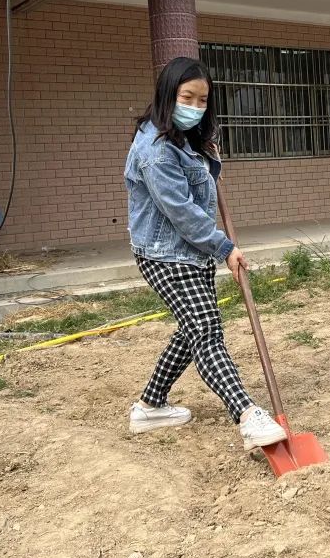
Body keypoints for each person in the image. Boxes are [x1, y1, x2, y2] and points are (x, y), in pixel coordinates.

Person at [123, 56, 287, 451]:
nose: (195, 107)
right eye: (187, 98)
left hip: (190, 252)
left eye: (202, 100)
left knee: (192, 329)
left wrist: (208, 154)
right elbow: (183, 214)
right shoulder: (156, 152)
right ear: (168, 95)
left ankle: (149, 405)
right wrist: (225, 248)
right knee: (207, 331)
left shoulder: (182, 140)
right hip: (166, 254)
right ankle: (247, 413)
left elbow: (199, 189)